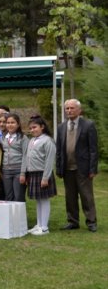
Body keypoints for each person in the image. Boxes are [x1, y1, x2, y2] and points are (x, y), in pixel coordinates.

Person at [56, 99, 98, 232]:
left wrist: (92, 169)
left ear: (79, 110)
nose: (69, 110)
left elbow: (93, 149)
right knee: (70, 197)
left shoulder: (88, 125)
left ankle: (91, 222)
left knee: (86, 196)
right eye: (67, 108)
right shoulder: (61, 127)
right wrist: (58, 167)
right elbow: (59, 150)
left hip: (83, 169)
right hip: (67, 169)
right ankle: (73, 221)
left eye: (72, 108)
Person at [22, 115, 56, 236]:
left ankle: (45, 227)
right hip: (33, 174)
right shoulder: (32, 140)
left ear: (42, 127)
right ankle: (39, 224)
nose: (32, 130)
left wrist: (45, 177)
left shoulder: (48, 140)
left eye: (35, 127)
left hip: (43, 174)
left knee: (44, 199)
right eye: (30, 128)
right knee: (38, 200)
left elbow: (49, 160)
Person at [0, 113, 28, 202]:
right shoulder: (3, 137)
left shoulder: (23, 138)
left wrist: (23, 173)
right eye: (8, 123)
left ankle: (19, 216)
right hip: (6, 171)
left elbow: (26, 155)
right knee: (8, 196)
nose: (10, 125)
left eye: (13, 122)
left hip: (18, 170)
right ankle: (10, 216)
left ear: (18, 124)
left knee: (18, 196)